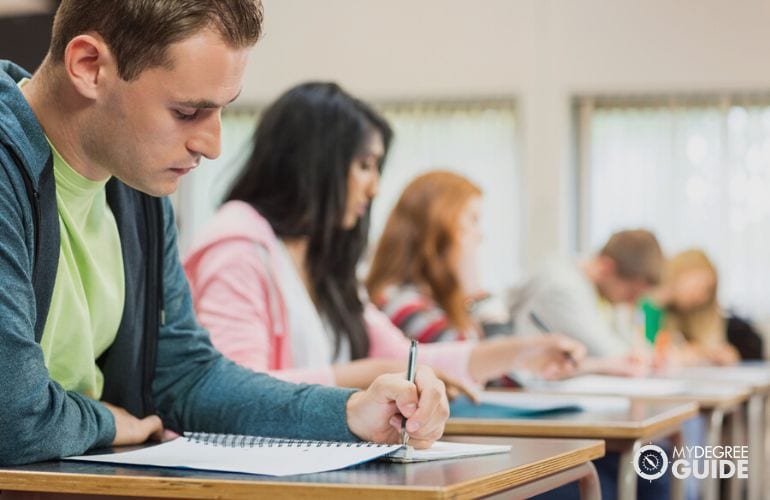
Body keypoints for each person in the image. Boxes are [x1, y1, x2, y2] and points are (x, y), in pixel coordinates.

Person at [0, 0, 450, 466]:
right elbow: (11, 417)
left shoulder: (136, 188)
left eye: (220, 112)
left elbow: (186, 378)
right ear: (89, 66)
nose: (212, 146)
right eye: (187, 111)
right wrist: (111, 422)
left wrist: (349, 412)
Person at [183, 82, 585, 393]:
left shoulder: (320, 263)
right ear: (315, 162)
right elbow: (235, 393)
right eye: (363, 166)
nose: (374, 188)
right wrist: (371, 375)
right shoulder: (237, 247)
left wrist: (523, 351)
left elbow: (405, 358)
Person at [511, 229, 665, 375]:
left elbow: (633, 348)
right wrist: (644, 357)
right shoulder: (564, 285)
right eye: (631, 293)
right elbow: (611, 353)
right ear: (607, 267)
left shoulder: (598, 290)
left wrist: (647, 355)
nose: (632, 302)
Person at [642, 249, 757, 366]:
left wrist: (711, 355)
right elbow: (646, 351)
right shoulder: (647, 306)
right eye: (701, 286)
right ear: (683, 271)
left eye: (708, 291)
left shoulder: (686, 316)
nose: (702, 297)